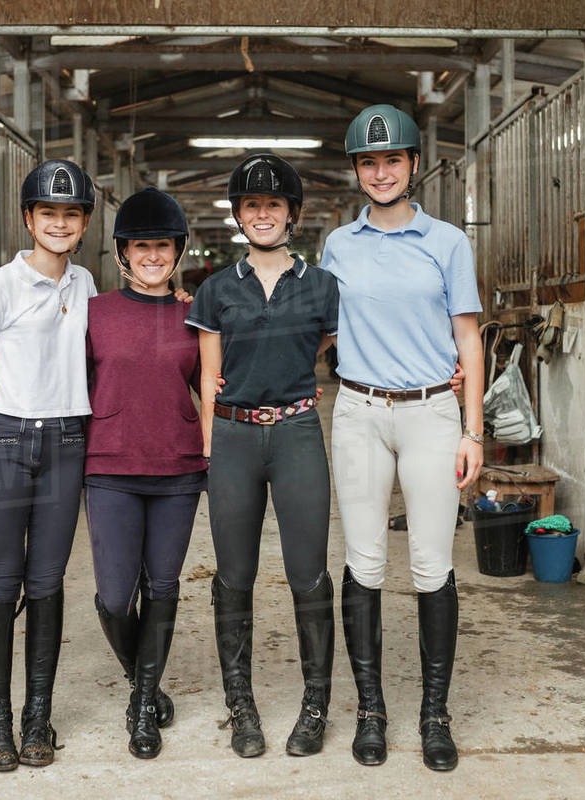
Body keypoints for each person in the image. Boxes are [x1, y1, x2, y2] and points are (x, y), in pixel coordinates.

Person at [321, 104, 485, 772]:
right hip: (359, 410)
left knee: (430, 564)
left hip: (430, 414)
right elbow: (318, 329)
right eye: (369, 161)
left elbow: (468, 339)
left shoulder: (448, 242)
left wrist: (473, 429)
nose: (381, 172)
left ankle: (434, 715)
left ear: (414, 165)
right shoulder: (338, 245)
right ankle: (370, 712)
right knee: (363, 562)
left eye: (392, 160)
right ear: (357, 170)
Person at [187, 154, 339, 758]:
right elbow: (207, 373)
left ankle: (315, 705)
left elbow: (335, 347)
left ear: (292, 214)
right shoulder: (218, 288)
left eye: (274, 204)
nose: (263, 214)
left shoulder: (322, 285)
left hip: (299, 432)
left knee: (309, 572)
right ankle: (241, 706)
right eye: (252, 205)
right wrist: (208, 445)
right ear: (239, 215)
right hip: (234, 438)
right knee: (234, 576)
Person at [0, 159, 96, 771]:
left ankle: (38, 715)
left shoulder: (86, 285)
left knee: (48, 582)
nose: (58, 223)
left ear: (84, 222)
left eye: (70, 214)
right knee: (0, 581)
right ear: (28, 219)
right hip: (3, 441)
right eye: (47, 213)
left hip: (66, 441)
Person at [85, 187, 206, 759]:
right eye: (141, 246)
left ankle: (140, 709)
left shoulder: (195, 313)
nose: (152, 256)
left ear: (177, 251)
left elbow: (217, 384)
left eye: (162, 245)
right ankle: (146, 680)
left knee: (162, 587)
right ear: (122, 253)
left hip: (177, 467)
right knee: (114, 595)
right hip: (109, 464)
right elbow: (54, 375)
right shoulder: (93, 314)